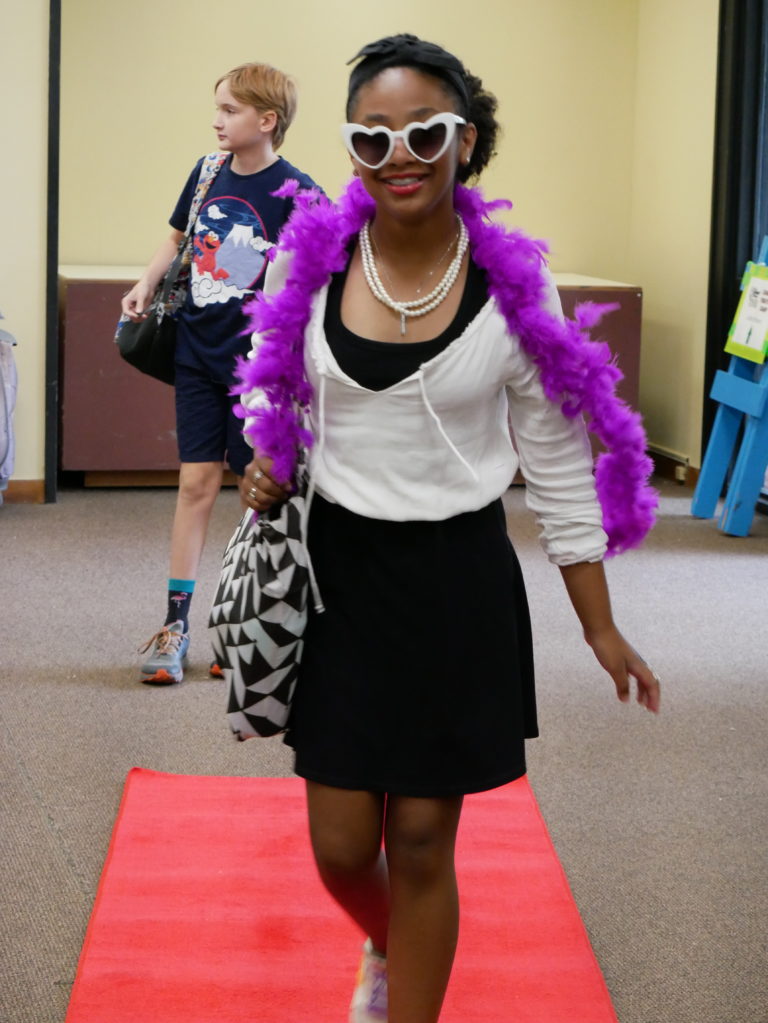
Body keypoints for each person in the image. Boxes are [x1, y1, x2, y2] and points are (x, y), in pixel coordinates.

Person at [237, 35, 661, 1023]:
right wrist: (272, 461)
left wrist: (598, 627)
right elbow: (283, 396)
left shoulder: (513, 292)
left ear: (464, 140)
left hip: (454, 581)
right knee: (342, 847)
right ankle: (387, 942)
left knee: (424, 838)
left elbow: (556, 466)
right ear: (349, 150)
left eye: (424, 132)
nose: (401, 157)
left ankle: (408, 999)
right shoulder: (315, 260)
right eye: (372, 139)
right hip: (341, 577)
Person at [121, 62, 320, 685]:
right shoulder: (207, 172)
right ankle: (176, 625)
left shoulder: (299, 192)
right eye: (217, 108)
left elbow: (325, 278)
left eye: (230, 110)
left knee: (256, 491)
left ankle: (245, 623)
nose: (217, 120)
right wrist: (146, 280)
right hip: (196, 355)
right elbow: (177, 237)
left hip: (257, 370)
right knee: (195, 483)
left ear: (268, 120)